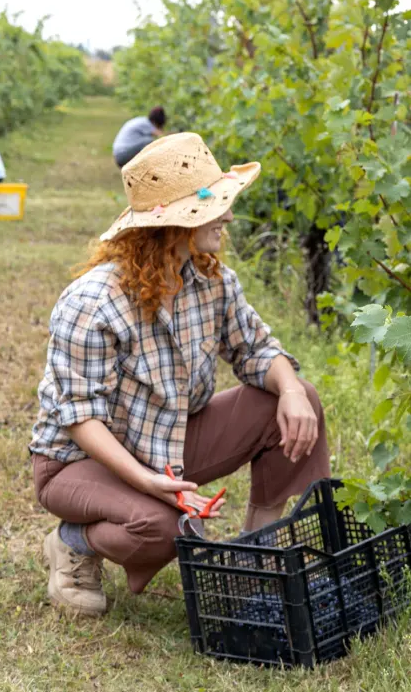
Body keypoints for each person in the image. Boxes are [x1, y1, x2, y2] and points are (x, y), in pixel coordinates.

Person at [29, 132, 326, 615]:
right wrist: (147, 482)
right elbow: (80, 419)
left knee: (298, 399)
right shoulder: (93, 302)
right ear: (174, 224)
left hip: (166, 440)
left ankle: (254, 556)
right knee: (165, 528)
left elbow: (255, 349)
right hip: (82, 459)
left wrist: (290, 387)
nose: (228, 215)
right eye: (217, 206)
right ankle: (73, 541)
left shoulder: (212, 282)